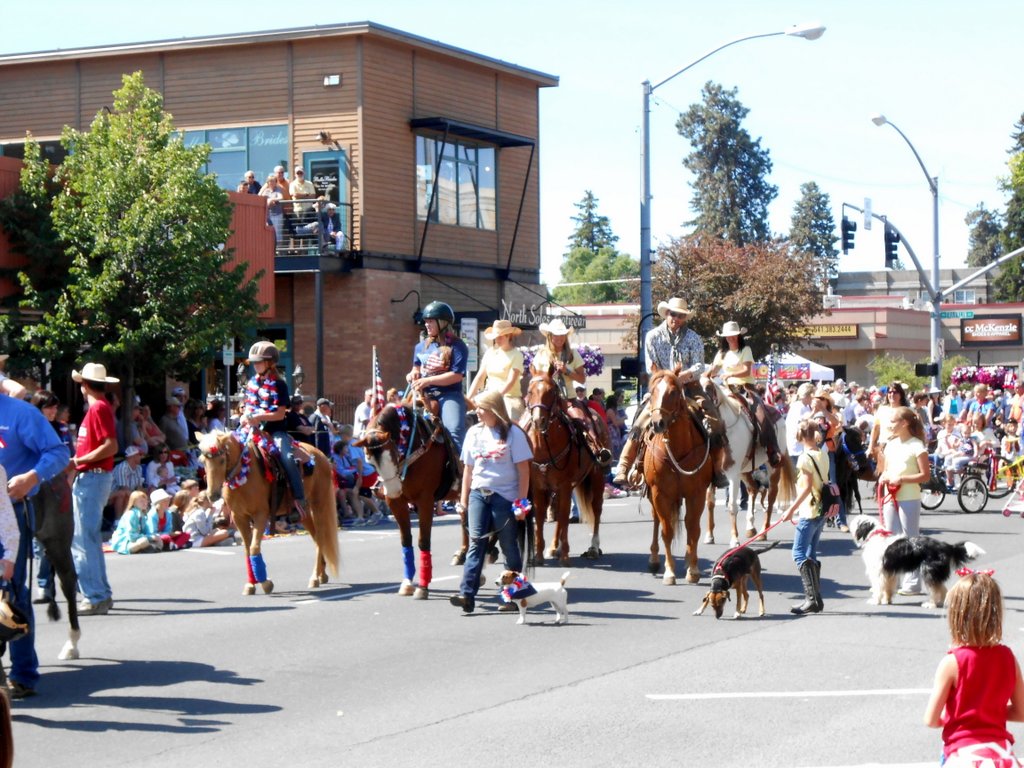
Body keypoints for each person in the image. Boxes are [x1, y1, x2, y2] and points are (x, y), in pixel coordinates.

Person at [0, 386, 69, 699]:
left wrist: (32, 476)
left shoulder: (20, 413)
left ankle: (23, 672)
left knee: (11, 587)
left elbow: (58, 453)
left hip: (10, 512)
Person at [614, 297, 727, 488]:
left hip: (690, 387)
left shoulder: (693, 337)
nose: (676, 318)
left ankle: (717, 469)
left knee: (714, 419)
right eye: (673, 314)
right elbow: (652, 366)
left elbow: (700, 365)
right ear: (667, 314)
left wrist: (684, 376)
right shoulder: (653, 336)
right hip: (662, 388)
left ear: (685, 318)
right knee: (640, 419)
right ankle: (624, 467)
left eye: (681, 315)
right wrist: (668, 379)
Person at [923, 570, 1024, 766]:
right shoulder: (1008, 657)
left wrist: (964, 716)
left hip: (963, 754)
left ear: (956, 614)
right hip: (1001, 754)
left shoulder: (952, 662)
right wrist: (987, 712)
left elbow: (931, 719)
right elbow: (1021, 712)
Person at [449, 390, 532, 614]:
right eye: (476, 407)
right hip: (478, 493)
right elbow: (468, 469)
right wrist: (463, 501)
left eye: (481, 408)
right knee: (476, 543)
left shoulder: (513, 433)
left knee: (508, 546)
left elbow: (523, 471)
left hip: (505, 496)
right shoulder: (474, 433)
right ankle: (466, 594)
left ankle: (510, 596)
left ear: (493, 409)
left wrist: (521, 504)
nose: (477, 412)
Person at [71, 362, 120, 617]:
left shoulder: (98, 408)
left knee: (83, 539)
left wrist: (79, 460)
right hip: (93, 476)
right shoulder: (99, 408)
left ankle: (95, 596)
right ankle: (100, 593)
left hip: (92, 476)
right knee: (88, 538)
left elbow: (111, 446)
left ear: (85, 385)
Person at [241, 340, 309, 517]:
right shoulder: (252, 384)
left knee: (286, 457)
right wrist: (245, 418)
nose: (255, 366)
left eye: (259, 362)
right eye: (254, 363)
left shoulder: (280, 385)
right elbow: (248, 407)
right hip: (253, 431)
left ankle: (299, 499)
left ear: (269, 363)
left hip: (275, 432)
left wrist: (258, 417)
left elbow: (279, 414)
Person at [531, 318, 611, 466]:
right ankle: (526, 454)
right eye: (556, 335)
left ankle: (597, 448)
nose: (559, 338)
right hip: (546, 400)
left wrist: (567, 370)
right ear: (550, 336)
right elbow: (536, 377)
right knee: (527, 421)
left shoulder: (573, 354)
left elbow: (581, 379)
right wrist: (550, 374)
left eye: (562, 335)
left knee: (583, 420)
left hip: (567, 398)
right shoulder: (541, 354)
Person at [705, 320, 782, 468]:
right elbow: (714, 370)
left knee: (761, 413)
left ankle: (772, 449)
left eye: (733, 335)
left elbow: (747, 370)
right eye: (728, 336)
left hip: (746, 388)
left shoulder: (746, 350)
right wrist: (706, 376)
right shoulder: (721, 353)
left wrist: (728, 374)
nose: (730, 338)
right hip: (727, 390)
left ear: (739, 336)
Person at [779, 418, 831, 615]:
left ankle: (811, 598)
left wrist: (790, 510)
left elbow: (807, 488)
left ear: (800, 435)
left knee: (798, 553)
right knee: (810, 553)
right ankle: (815, 599)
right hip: (821, 510)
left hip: (809, 511)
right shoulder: (822, 454)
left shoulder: (804, 458)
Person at [878, 406, 931, 597]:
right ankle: (891, 581)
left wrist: (902, 479)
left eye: (893, 421)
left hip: (908, 496)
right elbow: (886, 468)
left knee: (911, 538)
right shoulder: (891, 444)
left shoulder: (917, 445)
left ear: (904, 423)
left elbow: (925, 476)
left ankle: (913, 582)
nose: (890, 425)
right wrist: (884, 476)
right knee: (891, 539)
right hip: (889, 496)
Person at [407, 301, 469, 452]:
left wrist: (427, 380)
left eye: (431, 321)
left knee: (453, 430)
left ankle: (462, 471)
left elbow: (456, 376)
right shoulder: (420, 347)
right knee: (401, 421)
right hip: (423, 395)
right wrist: (412, 374)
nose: (427, 325)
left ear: (443, 323)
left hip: (448, 395)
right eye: (426, 321)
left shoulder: (457, 345)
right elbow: (415, 368)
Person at [467, 319, 525, 421]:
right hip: (488, 395)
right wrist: (468, 399)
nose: (497, 339)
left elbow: (510, 382)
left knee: (511, 423)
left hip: (510, 398)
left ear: (509, 336)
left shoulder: (517, 355)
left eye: (500, 336)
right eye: (496, 337)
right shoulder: (490, 352)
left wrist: (494, 399)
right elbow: (480, 377)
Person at [867, 381, 909, 476]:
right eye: (890, 392)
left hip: (901, 447)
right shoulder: (882, 409)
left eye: (895, 392)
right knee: (882, 477)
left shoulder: (907, 410)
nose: (892, 394)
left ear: (901, 394)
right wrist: (870, 447)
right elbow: (876, 428)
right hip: (883, 447)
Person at [110, 490, 156, 554]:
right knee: (144, 541)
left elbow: (146, 531)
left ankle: (147, 548)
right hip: (125, 541)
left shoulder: (143, 515)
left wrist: (153, 537)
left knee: (158, 540)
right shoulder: (131, 514)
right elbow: (131, 536)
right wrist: (149, 538)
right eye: (141, 501)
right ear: (134, 503)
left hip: (138, 538)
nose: (145, 503)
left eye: (146, 501)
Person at [109, 445, 146, 521]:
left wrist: (143, 497)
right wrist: (138, 499)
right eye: (139, 455)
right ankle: (118, 520)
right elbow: (124, 488)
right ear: (132, 456)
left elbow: (139, 487)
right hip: (110, 495)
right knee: (123, 494)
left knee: (130, 495)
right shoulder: (122, 467)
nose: (141, 457)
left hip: (128, 493)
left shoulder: (139, 468)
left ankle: (128, 520)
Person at [785, 383, 816, 467]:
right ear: (807, 395)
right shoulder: (797, 406)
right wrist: (814, 412)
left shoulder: (806, 406)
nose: (813, 397)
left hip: (804, 445)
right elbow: (801, 423)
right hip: (797, 446)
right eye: (812, 394)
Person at [259, 173, 285, 243]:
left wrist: (271, 200)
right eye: (269, 181)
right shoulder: (266, 191)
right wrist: (265, 187)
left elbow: (281, 197)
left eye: (273, 181)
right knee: (268, 232)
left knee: (277, 233)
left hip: (277, 214)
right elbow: (259, 196)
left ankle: (278, 250)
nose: (271, 183)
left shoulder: (278, 189)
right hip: (267, 215)